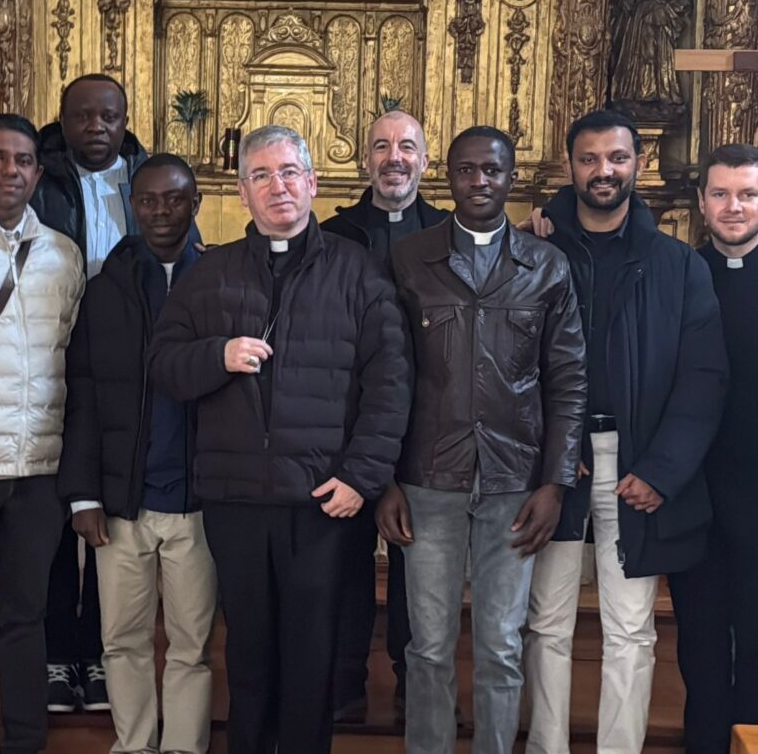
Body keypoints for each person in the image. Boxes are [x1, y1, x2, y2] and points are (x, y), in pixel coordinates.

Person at [148, 125, 411, 754]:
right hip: (236, 499)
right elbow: (163, 365)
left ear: (313, 182)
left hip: (322, 501)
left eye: (290, 171)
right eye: (262, 176)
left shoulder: (357, 271)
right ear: (242, 193)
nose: (279, 186)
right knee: (249, 650)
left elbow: (391, 382)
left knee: (312, 654)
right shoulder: (210, 274)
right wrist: (218, 355)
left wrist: (360, 478)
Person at [523, 109, 728, 754]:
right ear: (571, 166)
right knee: (547, 621)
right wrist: (555, 450)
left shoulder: (679, 266)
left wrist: (662, 470)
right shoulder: (534, 254)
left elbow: (703, 378)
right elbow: (507, 367)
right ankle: (546, 747)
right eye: (589, 159)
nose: (604, 170)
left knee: (631, 628)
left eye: (617, 158)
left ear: (637, 164)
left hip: (638, 461)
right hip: (560, 462)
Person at [378, 125, 587, 754]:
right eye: (466, 171)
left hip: (513, 484)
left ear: (511, 176)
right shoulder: (410, 259)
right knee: (429, 647)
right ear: (448, 176)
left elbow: (569, 378)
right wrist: (383, 477)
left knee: (500, 644)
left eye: (492, 171)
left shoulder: (547, 265)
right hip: (427, 479)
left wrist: (555, 483)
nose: (479, 183)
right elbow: (386, 374)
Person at [57, 154, 218, 754]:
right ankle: (133, 745)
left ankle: (182, 746)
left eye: (173, 199)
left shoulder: (221, 283)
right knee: (121, 640)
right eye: (147, 200)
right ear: (132, 206)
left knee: (190, 645)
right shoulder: (106, 289)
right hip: (121, 500)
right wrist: (83, 493)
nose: (159, 212)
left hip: (194, 501)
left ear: (194, 203)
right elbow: (84, 395)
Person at [0, 114, 84, 754]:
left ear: (38, 171)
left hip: (37, 469)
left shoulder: (62, 255)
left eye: (24, 161)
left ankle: (25, 742)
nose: (12, 171)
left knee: (26, 616)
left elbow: (69, 354)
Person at [321, 109, 449, 721]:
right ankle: (345, 683)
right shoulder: (334, 234)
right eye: (381, 146)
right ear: (364, 159)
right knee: (343, 567)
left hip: (426, 428)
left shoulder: (452, 234)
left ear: (426, 160)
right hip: (344, 430)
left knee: (415, 569)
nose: (393, 157)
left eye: (407, 146)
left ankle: (410, 680)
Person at [31, 73, 147, 712]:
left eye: (109, 117)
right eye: (83, 117)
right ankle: (56, 655)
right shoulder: (40, 181)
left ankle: (102, 656)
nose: (96, 128)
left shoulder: (145, 178)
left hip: (120, 366)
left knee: (115, 516)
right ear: (64, 119)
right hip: (51, 359)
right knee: (57, 519)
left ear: (125, 119)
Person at [667, 144, 758, 753]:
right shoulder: (679, 274)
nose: (734, 206)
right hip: (694, 492)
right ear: (701, 204)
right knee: (699, 640)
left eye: (748, 194)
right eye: (721, 194)